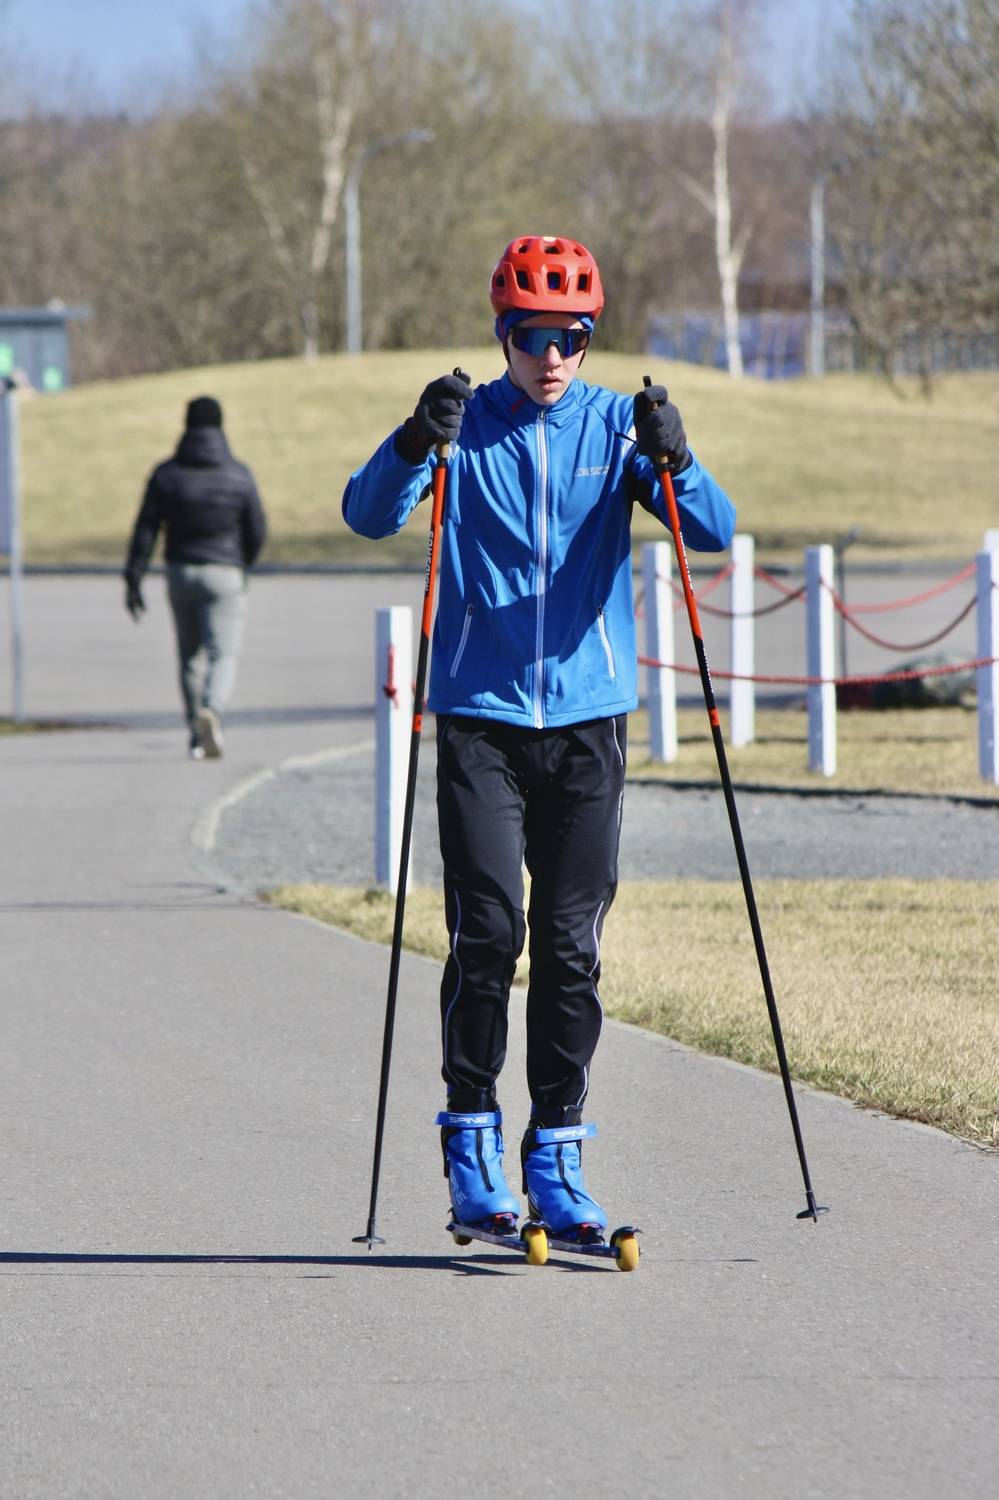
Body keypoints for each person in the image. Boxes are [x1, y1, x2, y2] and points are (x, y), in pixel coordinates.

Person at [342, 234, 735, 1242]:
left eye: (572, 336)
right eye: (531, 335)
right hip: (481, 720)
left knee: (570, 947)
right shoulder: (464, 427)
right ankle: (470, 1140)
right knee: (488, 936)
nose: (551, 355)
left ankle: (556, 1156)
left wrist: (677, 458)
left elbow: (713, 532)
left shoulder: (614, 426)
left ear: (589, 337)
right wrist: (411, 439)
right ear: (502, 333)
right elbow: (367, 515)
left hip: (589, 723)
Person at [123, 395, 267, 759]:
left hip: (180, 572)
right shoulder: (238, 474)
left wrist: (133, 578)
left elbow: (145, 530)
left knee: (189, 657)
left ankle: (195, 733)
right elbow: (257, 529)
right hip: (225, 573)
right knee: (223, 653)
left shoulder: (167, 474)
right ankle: (212, 710)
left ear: (186, 425)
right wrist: (242, 564)